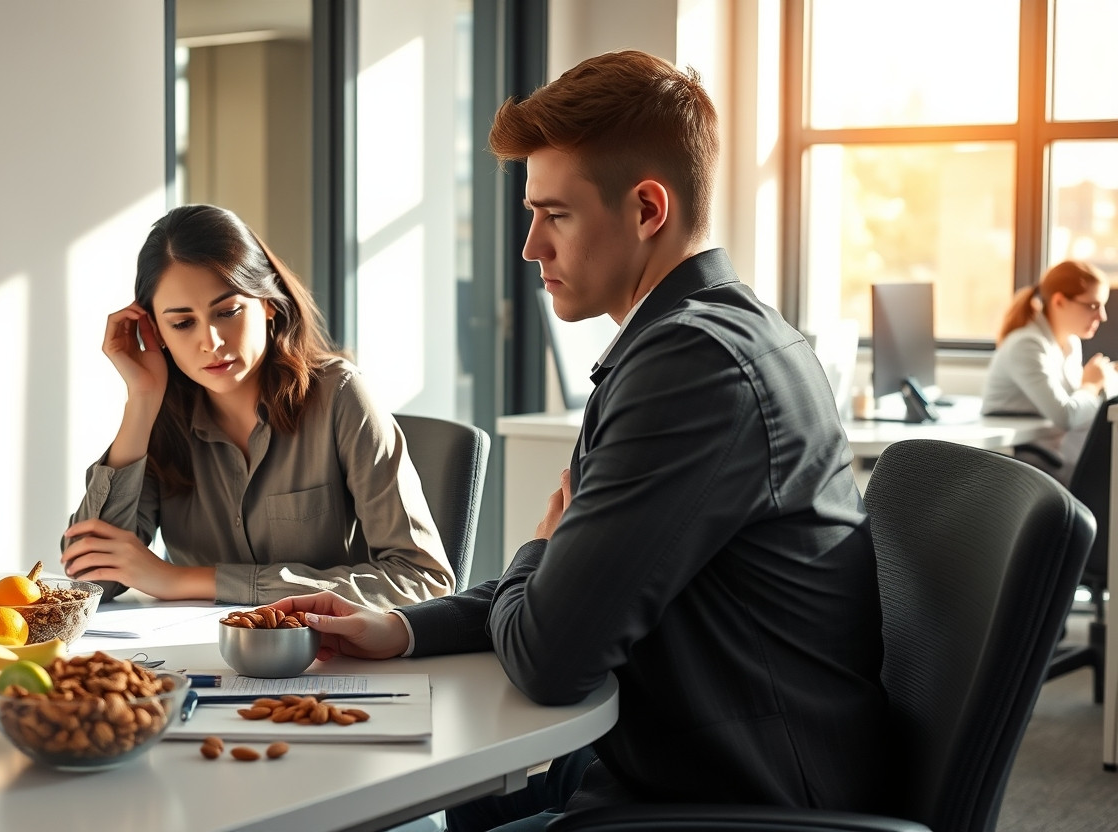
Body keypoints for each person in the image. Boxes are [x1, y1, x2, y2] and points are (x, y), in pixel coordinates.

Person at [273, 50, 890, 831]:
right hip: (682, 759)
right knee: (457, 809)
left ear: (647, 209)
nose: (531, 246)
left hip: (734, 801)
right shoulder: (706, 338)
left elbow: (550, 659)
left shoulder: (692, 369)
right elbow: (572, 592)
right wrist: (399, 629)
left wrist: (538, 548)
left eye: (555, 214)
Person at [60, 204, 454, 609]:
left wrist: (187, 580)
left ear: (268, 302)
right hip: (194, 646)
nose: (211, 342)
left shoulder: (340, 396)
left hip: (321, 645)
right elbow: (90, 579)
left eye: (227, 312)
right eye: (182, 323)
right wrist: (142, 399)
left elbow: (423, 580)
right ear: (156, 331)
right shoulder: (160, 416)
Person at [982, 260, 1116, 483]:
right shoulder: (1026, 345)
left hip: (1056, 451)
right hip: (1033, 463)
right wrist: (1091, 385)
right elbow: (1066, 416)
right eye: (1093, 306)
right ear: (1059, 301)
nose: (1102, 316)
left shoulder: (1071, 343)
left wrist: (1105, 382)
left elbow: (1080, 406)